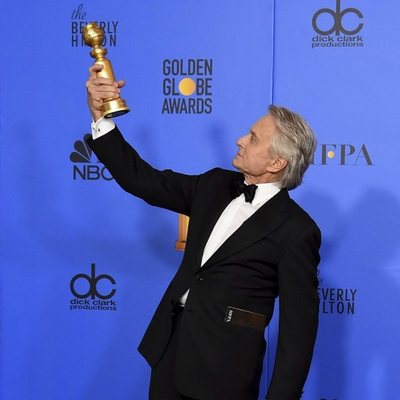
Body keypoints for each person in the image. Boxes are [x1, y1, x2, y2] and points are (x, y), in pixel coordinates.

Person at [86, 64, 321, 400]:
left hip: (223, 375)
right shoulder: (214, 185)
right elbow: (143, 180)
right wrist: (101, 119)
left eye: (253, 138)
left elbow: (298, 333)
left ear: (276, 163)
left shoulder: (297, 231)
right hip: (170, 351)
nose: (240, 139)